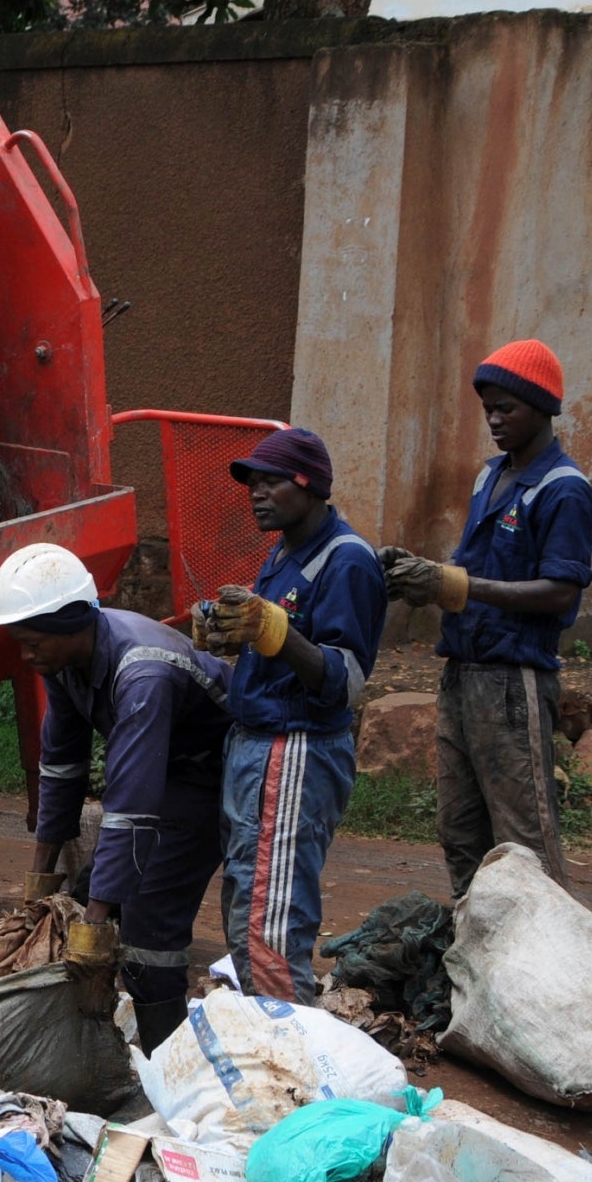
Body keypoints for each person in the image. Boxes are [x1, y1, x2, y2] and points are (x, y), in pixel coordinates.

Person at [0, 543, 234, 1055]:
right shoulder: (62, 664)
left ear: (69, 625)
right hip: (165, 772)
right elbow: (60, 767)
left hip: (214, 775)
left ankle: (162, 1066)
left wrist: (96, 928)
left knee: (147, 922)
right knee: (84, 897)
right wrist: (40, 886)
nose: (25, 655)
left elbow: (130, 805)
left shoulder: (142, 671)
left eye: (32, 643)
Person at [380, 340, 592, 896]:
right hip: (463, 673)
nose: (496, 421)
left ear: (544, 409)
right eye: (489, 410)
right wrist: (423, 574)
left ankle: (548, 971)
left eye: (508, 409)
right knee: (460, 832)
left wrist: (455, 584)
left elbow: (559, 592)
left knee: (524, 845)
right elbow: (470, 569)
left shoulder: (563, 490)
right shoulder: (490, 477)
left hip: (513, 682)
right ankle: (475, 955)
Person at [199, 427, 387, 1003]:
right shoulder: (282, 552)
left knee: (272, 928)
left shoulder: (347, 561)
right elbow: (273, 645)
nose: (256, 493)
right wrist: (228, 630)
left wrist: (273, 630)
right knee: (248, 905)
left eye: (271, 481)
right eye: (251, 483)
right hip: (257, 743)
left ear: (309, 485)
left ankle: (293, 1068)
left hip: (294, 749)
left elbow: (346, 681)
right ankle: (272, 1048)